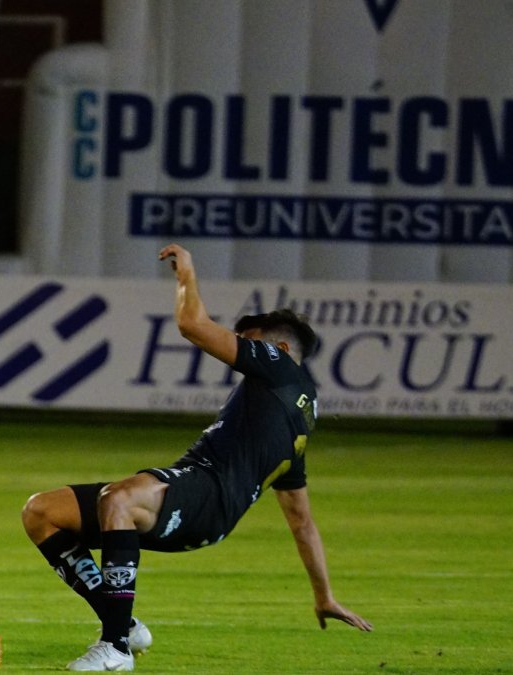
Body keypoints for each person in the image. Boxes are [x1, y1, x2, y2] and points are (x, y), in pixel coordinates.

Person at [21, 243, 372, 672]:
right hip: (205, 503)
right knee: (41, 512)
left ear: (279, 347)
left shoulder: (280, 367)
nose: (241, 343)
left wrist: (186, 272)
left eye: (252, 338)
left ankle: (114, 648)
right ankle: (124, 624)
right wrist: (324, 596)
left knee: (120, 500)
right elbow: (301, 521)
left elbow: (192, 324)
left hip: (206, 493)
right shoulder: (298, 423)